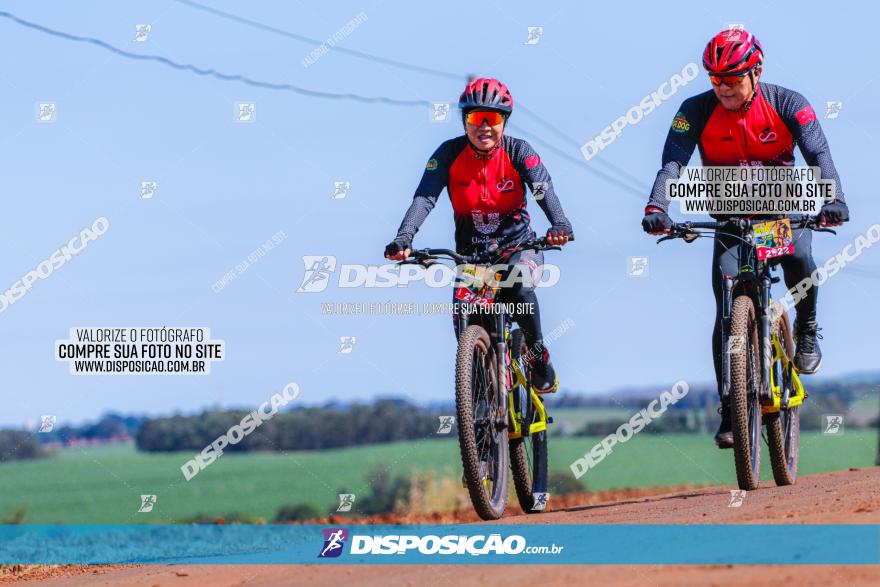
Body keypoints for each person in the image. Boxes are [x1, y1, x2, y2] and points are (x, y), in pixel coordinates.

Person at [640, 29, 849, 448]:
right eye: (715, 78)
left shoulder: (789, 103)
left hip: (778, 212)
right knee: (725, 309)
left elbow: (818, 154)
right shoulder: (693, 110)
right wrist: (656, 208)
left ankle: (806, 328)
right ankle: (732, 407)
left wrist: (835, 198)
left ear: (756, 72)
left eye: (732, 79)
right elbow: (672, 163)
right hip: (731, 221)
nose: (723, 87)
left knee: (799, 259)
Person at [384, 77, 573, 392]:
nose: (484, 127)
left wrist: (560, 224)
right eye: (475, 118)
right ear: (464, 120)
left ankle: (538, 354)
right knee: (464, 318)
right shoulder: (448, 153)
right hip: (471, 255)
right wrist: (404, 238)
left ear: (504, 122)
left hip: (519, 247)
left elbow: (543, 189)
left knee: (519, 287)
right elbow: (425, 197)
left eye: (493, 118)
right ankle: (481, 396)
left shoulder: (518, 151)